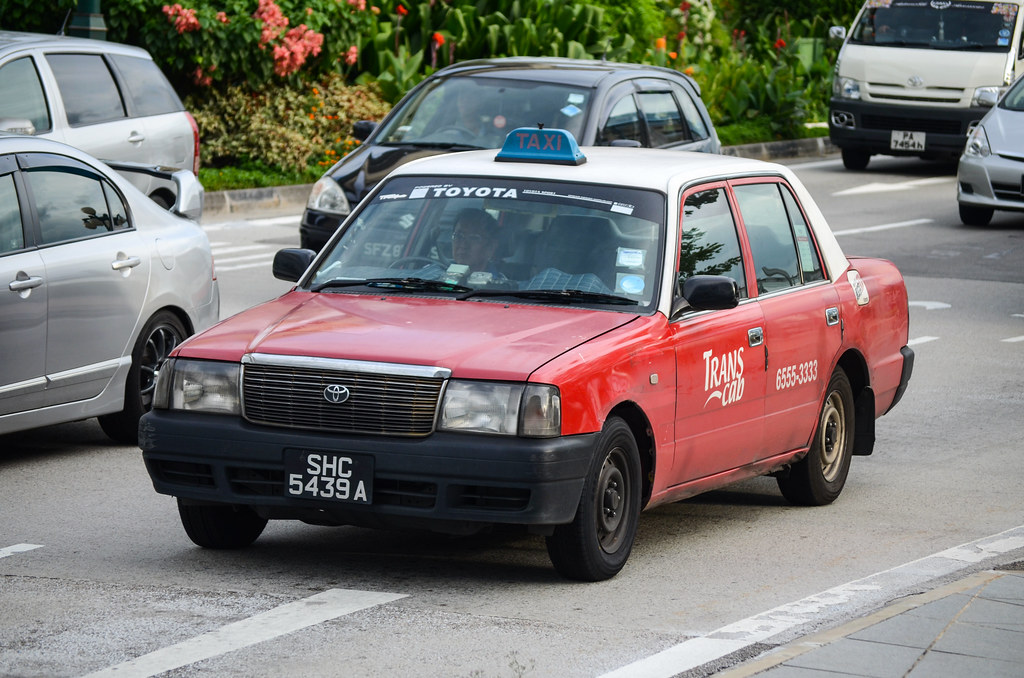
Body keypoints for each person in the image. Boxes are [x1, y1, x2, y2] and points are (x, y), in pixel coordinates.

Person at [451, 208, 501, 273]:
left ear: (490, 247)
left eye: (473, 238)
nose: (463, 245)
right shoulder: (436, 273)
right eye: (459, 236)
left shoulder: (500, 282)